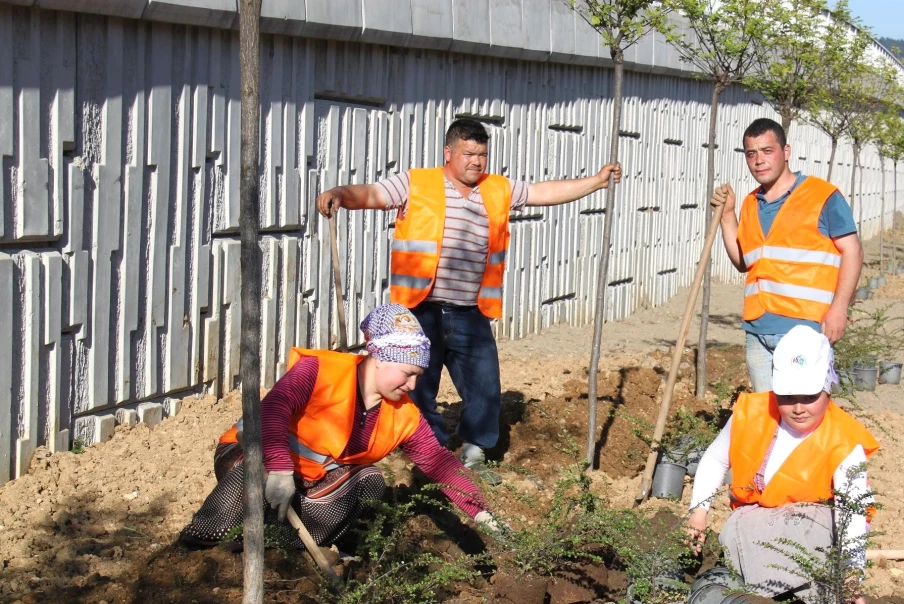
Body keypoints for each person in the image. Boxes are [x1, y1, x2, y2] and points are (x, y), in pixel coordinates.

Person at [316, 119, 622, 478]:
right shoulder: (417, 183)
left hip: (470, 311)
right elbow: (372, 194)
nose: (476, 161)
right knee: (417, 385)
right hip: (419, 309)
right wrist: (340, 194)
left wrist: (597, 182)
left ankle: (475, 453)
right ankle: (429, 452)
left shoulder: (497, 189)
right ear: (449, 153)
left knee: (485, 386)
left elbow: (544, 192)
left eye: (482, 154)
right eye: (468, 154)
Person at [179, 304, 506, 550]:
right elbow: (272, 410)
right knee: (252, 471)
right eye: (407, 373)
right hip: (255, 456)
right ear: (380, 358)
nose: (411, 385)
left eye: (417, 377)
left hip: (310, 484)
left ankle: (283, 545)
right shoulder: (319, 371)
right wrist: (278, 468)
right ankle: (200, 544)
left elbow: (439, 463)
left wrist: (480, 513)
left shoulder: (404, 414)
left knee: (370, 481)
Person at [685, 326, 878, 604]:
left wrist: (851, 571)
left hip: (815, 529)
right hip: (753, 523)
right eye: (787, 397)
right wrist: (698, 514)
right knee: (737, 531)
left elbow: (852, 513)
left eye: (809, 397)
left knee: (816, 531)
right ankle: (769, 597)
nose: (798, 408)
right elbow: (715, 459)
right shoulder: (752, 413)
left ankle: (811, 598)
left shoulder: (845, 440)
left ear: (828, 388)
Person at [710, 118, 864, 393]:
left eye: (767, 151)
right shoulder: (749, 203)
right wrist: (726, 216)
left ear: (786, 152)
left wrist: (839, 309)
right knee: (767, 415)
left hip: (804, 327)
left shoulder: (822, 196)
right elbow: (743, 261)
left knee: (802, 415)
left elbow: (852, 250)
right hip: (758, 329)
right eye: (751, 153)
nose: (759, 160)